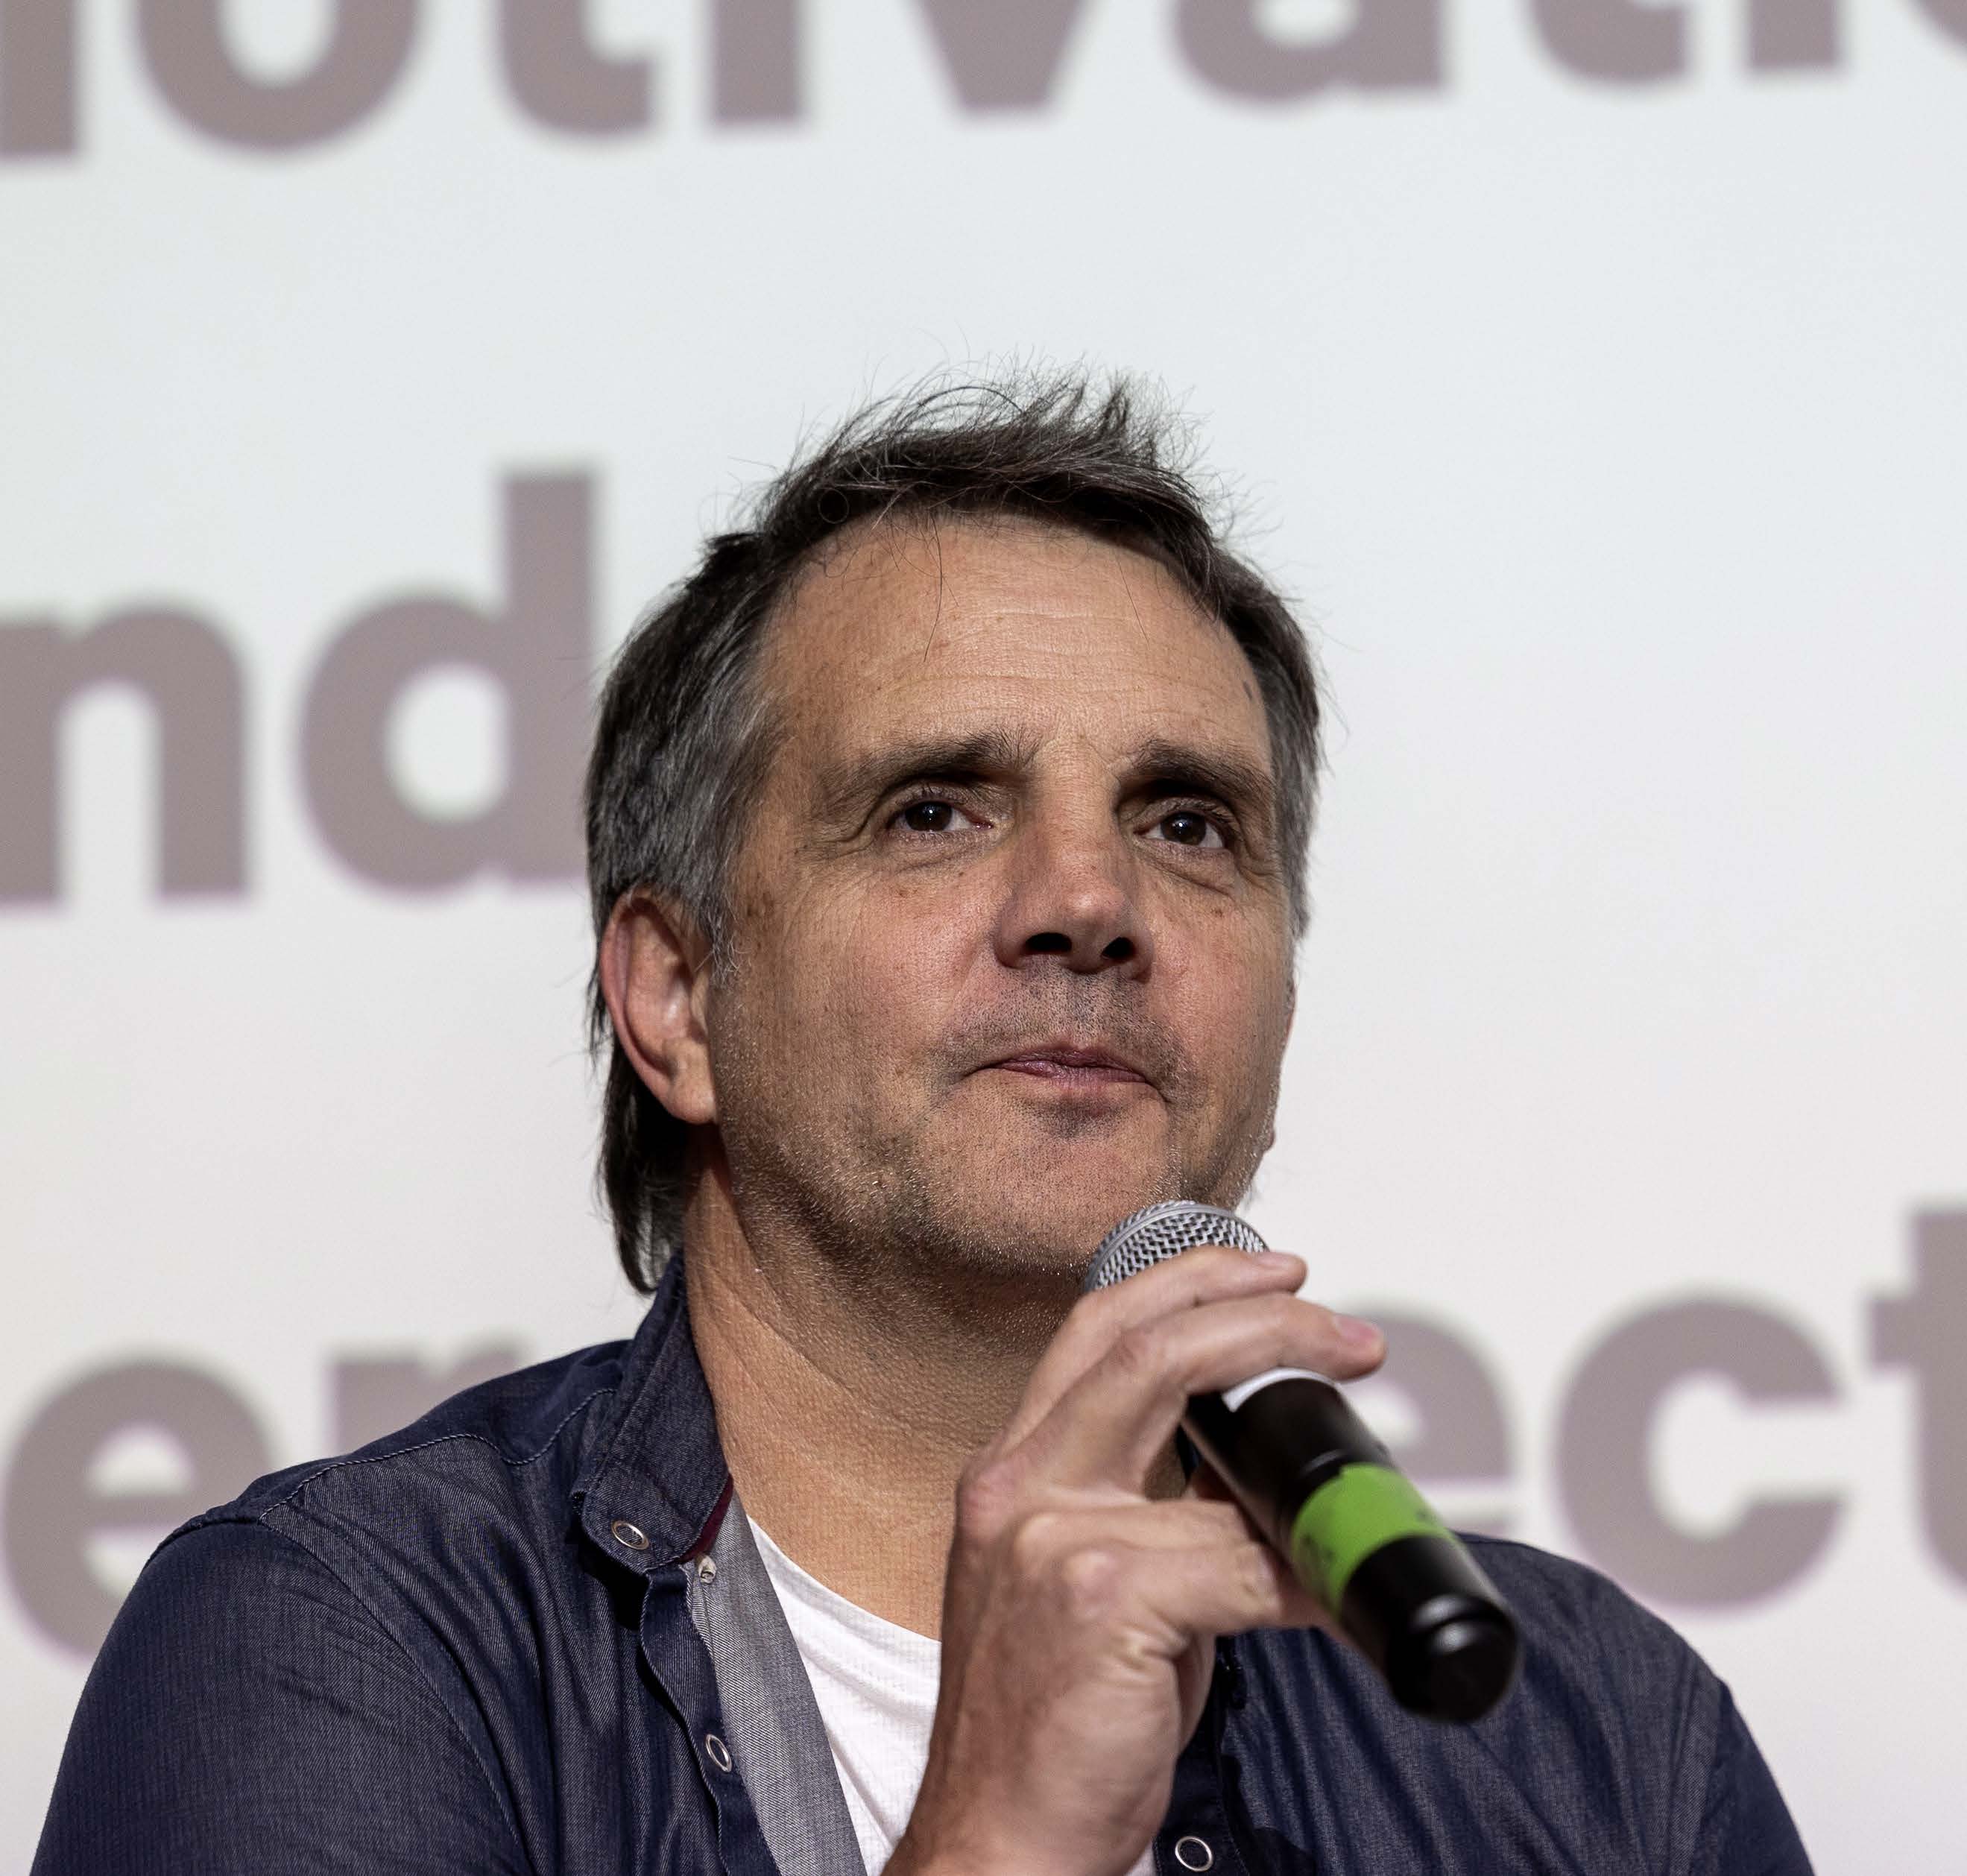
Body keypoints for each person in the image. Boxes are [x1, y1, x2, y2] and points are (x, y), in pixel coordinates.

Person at [34, 376, 1813, 1875]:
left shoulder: (1590, 1731)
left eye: (1189, 824)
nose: (1089, 902)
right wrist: (998, 1837)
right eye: (936, 810)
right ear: (678, 996)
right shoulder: (335, 1641)